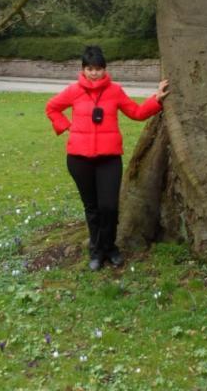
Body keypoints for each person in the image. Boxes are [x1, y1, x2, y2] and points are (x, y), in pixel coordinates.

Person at [46, 45, 169, 271]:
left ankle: (110, 247)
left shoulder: (115, 91)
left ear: (105, 69)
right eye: (89, 68)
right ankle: (96, 252)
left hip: (108, 159)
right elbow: (52, 108)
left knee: (109, 207)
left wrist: (157, 99)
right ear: (83, 69)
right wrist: (67, 127)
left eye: (98, 68)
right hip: (79, 160)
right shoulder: (73, 90)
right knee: (92, 208)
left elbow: (136, 112)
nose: (94, 73)